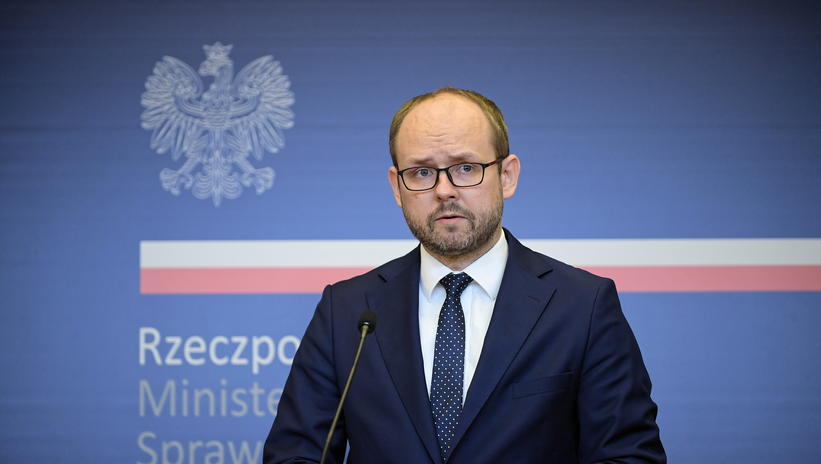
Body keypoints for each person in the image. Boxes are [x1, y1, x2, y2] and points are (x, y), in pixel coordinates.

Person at [263, 87, 665, 463]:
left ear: (507, 175)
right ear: (397, 187)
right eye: (422, 173)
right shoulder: (347, 310)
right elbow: (294, 455)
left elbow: (628, 455)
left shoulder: (582, 305)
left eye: (466, 167)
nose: (444, 190)